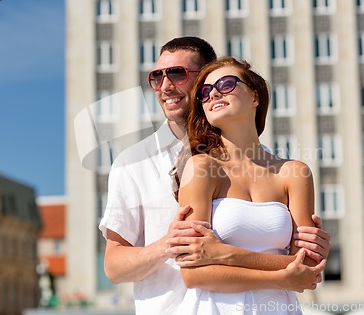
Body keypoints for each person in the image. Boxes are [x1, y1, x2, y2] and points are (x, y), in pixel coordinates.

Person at [99, 37, 330, 315]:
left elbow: (303, 266)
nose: (165, 86)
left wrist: (310, 250)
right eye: (156, 77)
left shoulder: (280, 167)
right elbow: (113, 266)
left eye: (176, 73)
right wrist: (167, 245)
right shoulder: (132, 163)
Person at [172, 56, 323, 314]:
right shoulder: (201, 168)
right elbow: (193, 274)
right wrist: (282, 275)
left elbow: (306, 269)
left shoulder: (294, 173)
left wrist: (223, 254)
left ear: (255, 97)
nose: (213, 94)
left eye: (227, 83)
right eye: (205, 92)